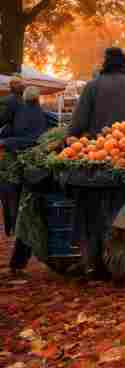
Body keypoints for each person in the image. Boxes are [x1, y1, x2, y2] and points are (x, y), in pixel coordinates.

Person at [3, 87, 49, 275]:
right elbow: (39, 138)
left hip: (17, 171)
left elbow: (9, 133)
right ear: (38, 99)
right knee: (28, 214)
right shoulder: (41, 115)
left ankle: (18, 259)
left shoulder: (18, 113)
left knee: (21, 214)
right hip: (33, 172)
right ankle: (19, 261)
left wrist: (8, 143)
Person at [69, 47, 125, 137]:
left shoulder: (92, 86)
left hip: (99, 147)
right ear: (124, 63)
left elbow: (79, 121)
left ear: (105, 63)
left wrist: (68, 138)